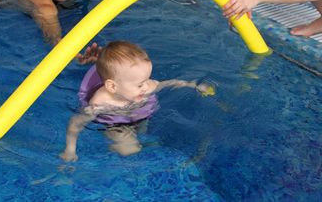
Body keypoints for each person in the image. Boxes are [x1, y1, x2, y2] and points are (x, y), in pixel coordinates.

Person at [60, 40, 214, 159]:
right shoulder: (100, 103)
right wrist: (70, 150)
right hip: (115, 124)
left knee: (144, 135)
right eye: (140, 84)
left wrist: (192, 85)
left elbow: (168, 83)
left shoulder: (146, 86)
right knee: (130, 150)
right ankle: (119, 149)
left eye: (147, 80)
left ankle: (143, 140)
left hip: (140, 117)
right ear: (112, 87)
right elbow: (75, 124)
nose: (147, 87)